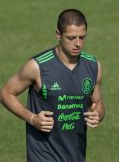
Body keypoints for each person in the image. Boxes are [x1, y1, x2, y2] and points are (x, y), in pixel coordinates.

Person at [0, 9, 105, 162]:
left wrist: (98, 115)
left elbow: (98, 104)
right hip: (43, 155)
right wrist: (32, 118)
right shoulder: (38, 66)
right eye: (71, 38)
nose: (77, 44)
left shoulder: (93, 66)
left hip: (76, 154)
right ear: (58, 34)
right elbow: (6, 93)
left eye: (82, 37)